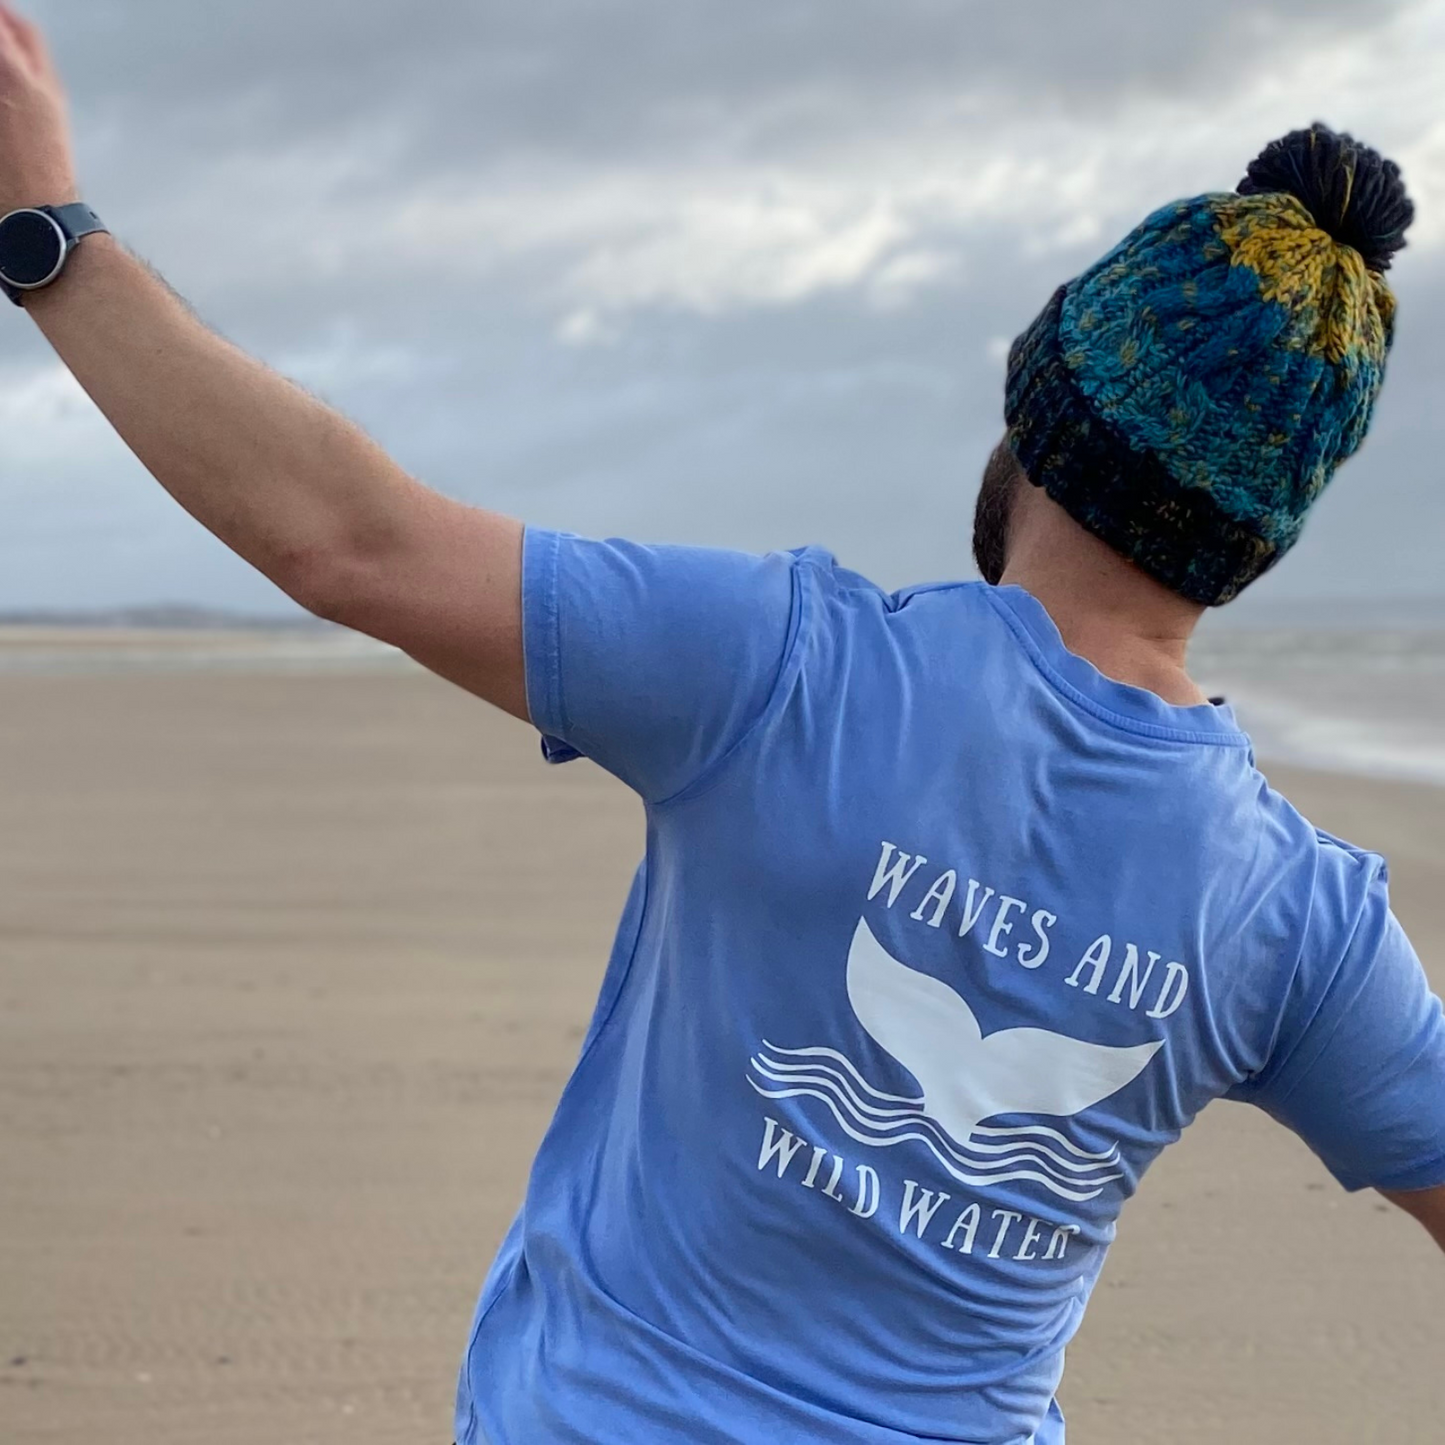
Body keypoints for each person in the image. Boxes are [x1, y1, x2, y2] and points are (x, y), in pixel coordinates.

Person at [1, 7, 1441, 1442]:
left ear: (1043, 412)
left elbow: (348, 543)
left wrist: (49, 237)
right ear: (1258, 541)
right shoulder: (1294, 914)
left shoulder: (788, 670)